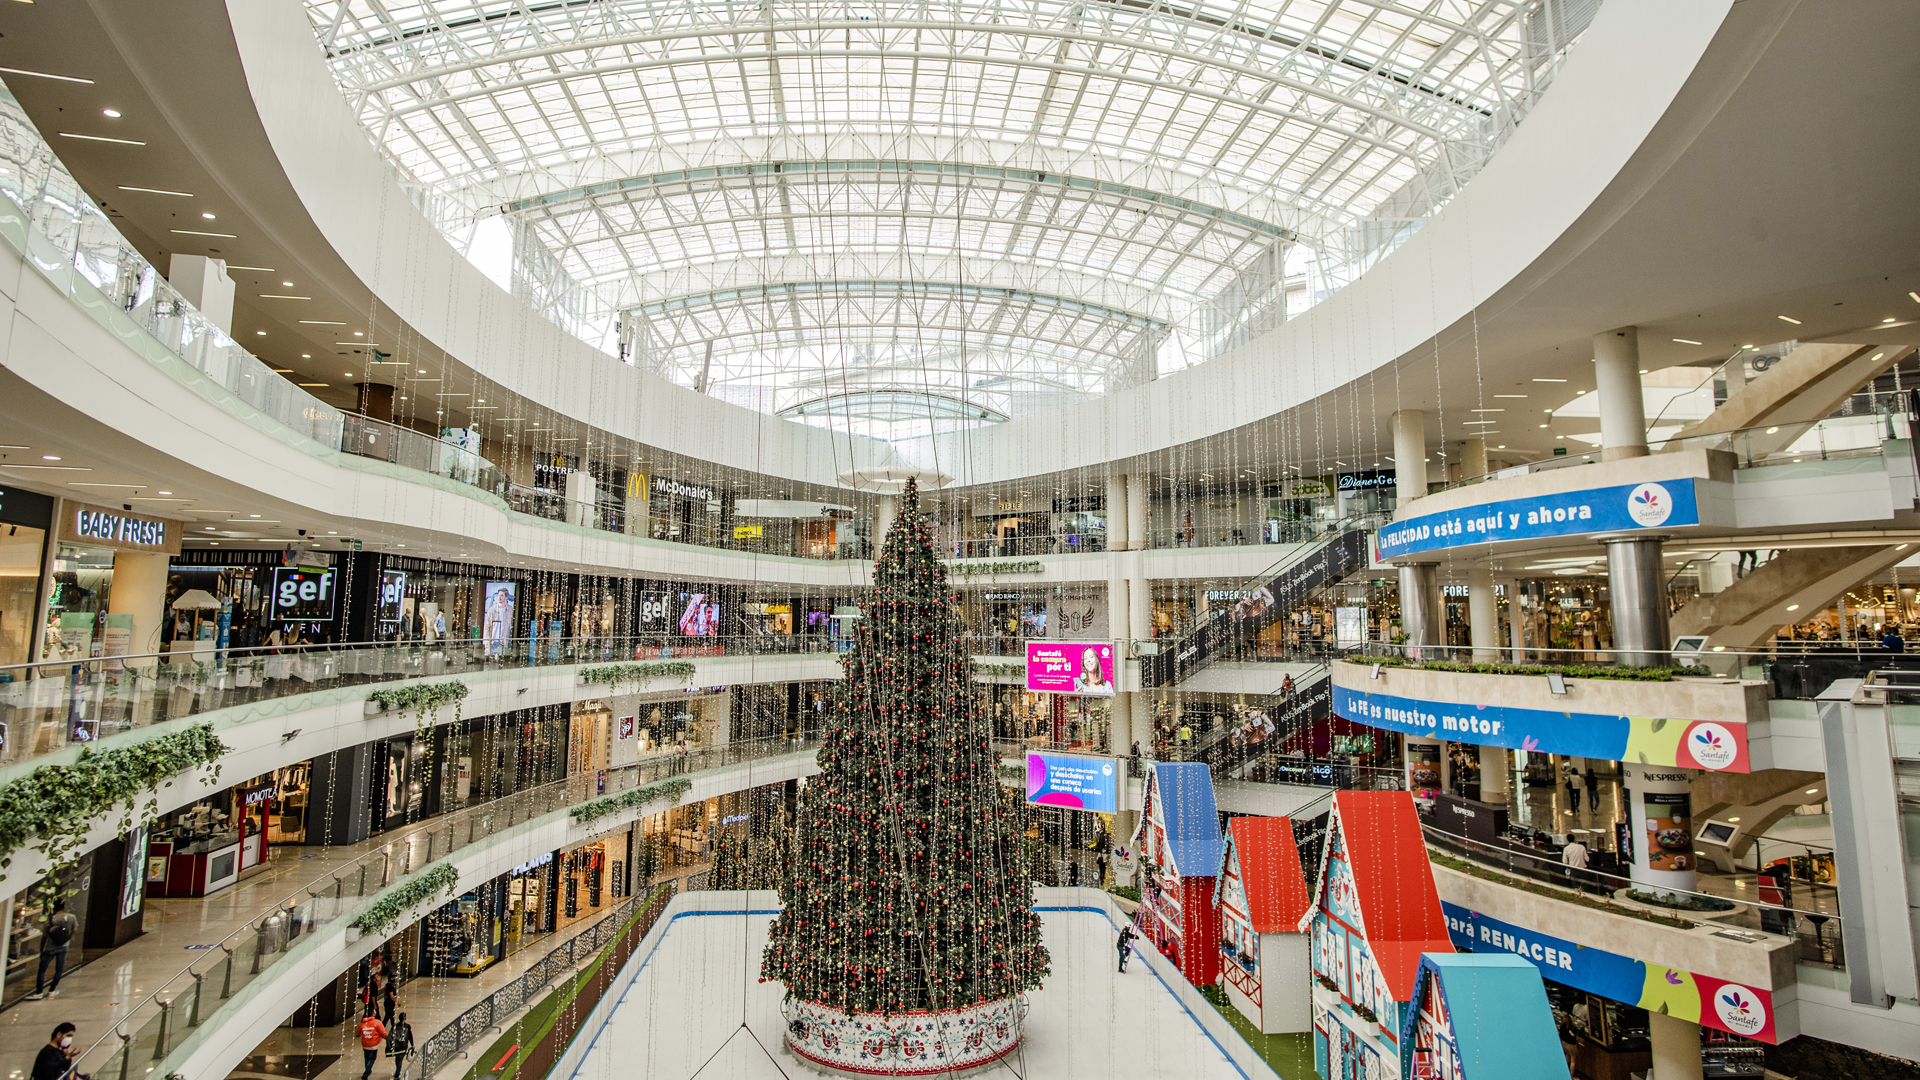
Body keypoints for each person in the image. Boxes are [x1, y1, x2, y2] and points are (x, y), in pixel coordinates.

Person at [27, 900, 77, 1000]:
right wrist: (68, 939)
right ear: (64, 907)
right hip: (63, 947)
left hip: (50, 947)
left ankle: (39, 992)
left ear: (54, 908)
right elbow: (74, 930)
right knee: (59, 969)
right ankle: (51, 990)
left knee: (42, 970)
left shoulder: (50, 919)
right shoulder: (71, 917)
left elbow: (45, 936)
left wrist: (42, 949)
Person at [358, 1009, 388, 1080]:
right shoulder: (377, 1022)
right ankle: (366, 1073)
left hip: (365, 1044)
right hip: (373, 1045)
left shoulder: (362, 1023)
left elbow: (357, 1033)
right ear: (373, 1014)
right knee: (372, 1059)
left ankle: (368, 1070)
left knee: (367, 1058)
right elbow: (383, 1033)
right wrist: (387, 1038)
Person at [387, 1012, 415, 1080]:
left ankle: (397, 1071)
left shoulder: (395, 1026)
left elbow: (390, 1036)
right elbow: (410, 1036)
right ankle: (397, 1075)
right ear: (405, 1018)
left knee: (397, 1059)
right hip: (403, 1046)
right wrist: (412, 1044)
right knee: (400, 1060)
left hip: (396, 1046)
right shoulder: (407, 1026)